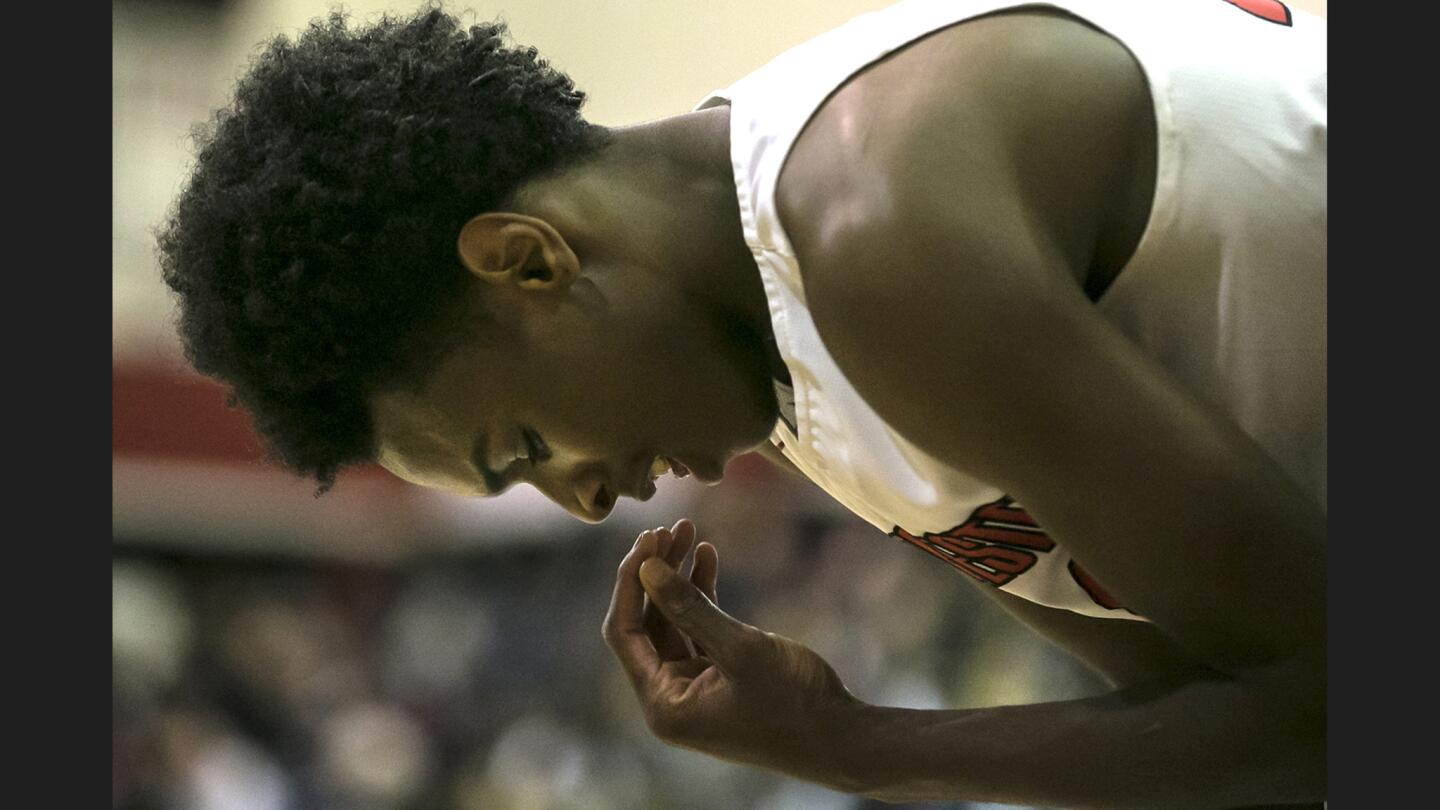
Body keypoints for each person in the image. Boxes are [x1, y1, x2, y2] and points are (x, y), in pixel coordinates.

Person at [158, 0, 1326, 805]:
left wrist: (851, 745)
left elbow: (1328, 710)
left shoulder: (876, 231)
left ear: (527, 260)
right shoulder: (783, 350)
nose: (581, 501)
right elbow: (1208, 719)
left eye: (521, 447)